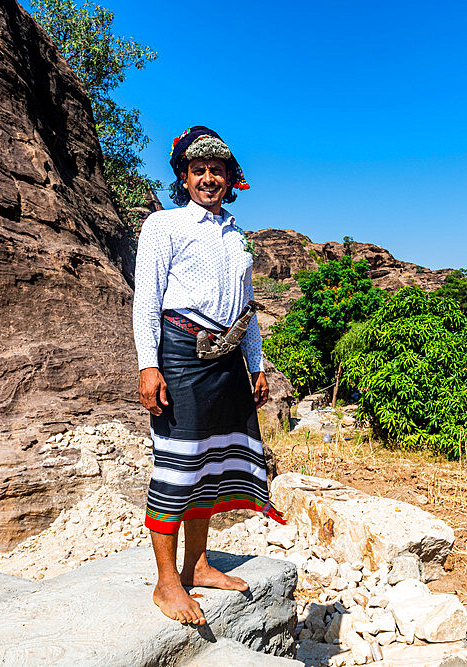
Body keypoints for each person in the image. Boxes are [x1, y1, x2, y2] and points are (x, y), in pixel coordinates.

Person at [132, 126, 284, 625]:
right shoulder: (164, 225)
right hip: (180, 353)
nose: (207, 178)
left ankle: (197, 564)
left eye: (216, 170)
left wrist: (255, 365)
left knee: (211, 464)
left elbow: (248, 306)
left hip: (227, 358)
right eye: (198, 170)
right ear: (183, 177)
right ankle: (166, 582)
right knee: (177, 465)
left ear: (229, 177)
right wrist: (148, 364)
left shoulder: (237, 236)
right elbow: (147, 300)